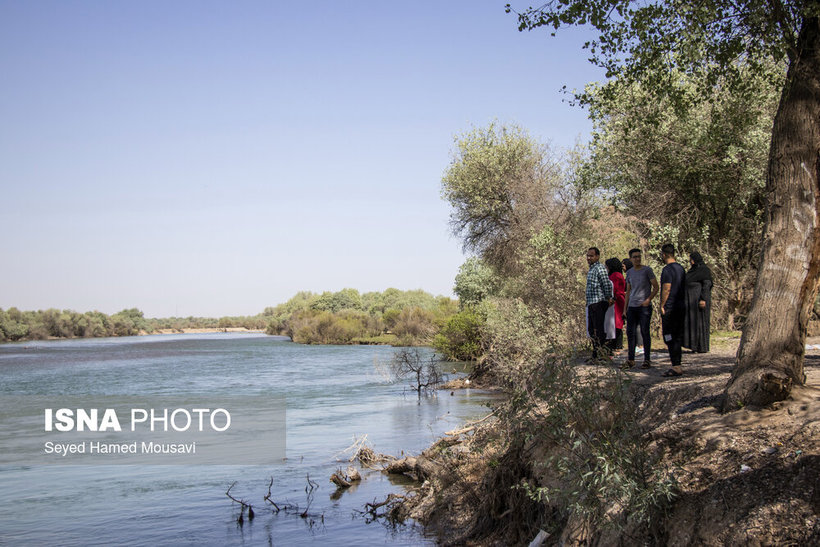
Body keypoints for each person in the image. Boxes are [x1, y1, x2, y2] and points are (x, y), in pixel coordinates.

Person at [624, 248, 658, 368]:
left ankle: (647, 360)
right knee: (630, 333)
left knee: (644, 332)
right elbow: (628, 291)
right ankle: (631, 359)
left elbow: (656, 287)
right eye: (635, 257)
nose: (637, 259)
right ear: (631, 259)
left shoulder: (647, 270)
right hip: (632, 306)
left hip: (644, 307)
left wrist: (648, 300)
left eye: (639, 256)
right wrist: (625, 309)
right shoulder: (629, 273)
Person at [660, 244, 687, 377]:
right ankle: (677, 363)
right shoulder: (681, 268)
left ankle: (676, 366)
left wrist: (662, 305)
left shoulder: (667, 270)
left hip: (670, 307)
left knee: (669, 336)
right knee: (677, 336)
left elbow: (667, 288)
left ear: (664, 254)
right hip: (681, 306)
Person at [585, 247, 614, 362]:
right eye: (588, 255)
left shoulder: (600, 268)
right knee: (592, 330)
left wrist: (608, 297)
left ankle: (602, 353)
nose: (589, 258)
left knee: (599, 329)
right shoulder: (592, 269)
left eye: (591, 256)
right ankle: (595, 353)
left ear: (597, 256)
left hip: (598, 302)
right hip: (591, 303)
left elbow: (606, 284)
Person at [683, 251, 713, 353]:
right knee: (693, 323)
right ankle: (694, 345)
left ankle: (702, 346)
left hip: (699, 300)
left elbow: (707, 285)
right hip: (692, 301)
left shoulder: (704, 270)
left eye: (691, 259)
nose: (690, 262)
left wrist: (703, 299)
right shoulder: (693, 270)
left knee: (701, 323)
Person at [605, 258, 626, 354]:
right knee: (617, 322)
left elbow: (615, 288)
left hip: (616, 301)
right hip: (618, 299)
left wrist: (612, 299)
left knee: (616, 323)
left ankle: (616, 345)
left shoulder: (615, 275)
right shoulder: (618, 274)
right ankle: (617, 345)